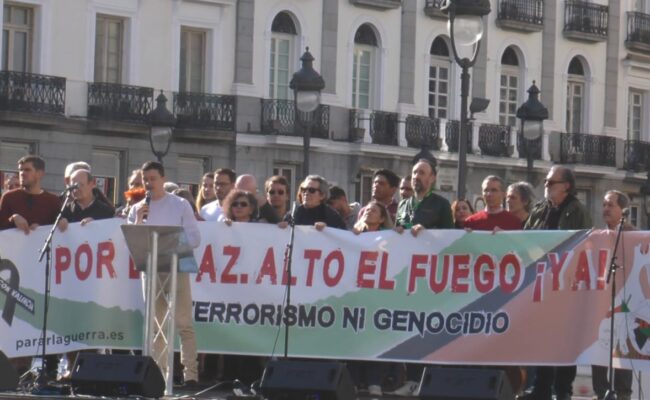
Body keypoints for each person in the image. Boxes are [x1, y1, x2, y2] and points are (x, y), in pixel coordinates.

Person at [519, 165, 592, 400]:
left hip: (565, 285)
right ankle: (541, 388)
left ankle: (563, 390)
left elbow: (586, 242)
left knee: (564, 341)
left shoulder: (578, 211)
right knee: (543, 337)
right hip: (541, 284)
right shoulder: (540, 209)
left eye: (551, 182)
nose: (546, 186)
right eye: (546, 182)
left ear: (567, 186)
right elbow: (525, 236)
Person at [127, 161, 201, 388]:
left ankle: (190, 374)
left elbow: (195, 237)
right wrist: (139, 219)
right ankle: (159, 375)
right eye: (145, 179)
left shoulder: (179, 205)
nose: (148, 184)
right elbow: (132, 241)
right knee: (155, 324)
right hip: (150, 270)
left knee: (183, 322)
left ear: (162, 178)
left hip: (175, 268)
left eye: (152, 179)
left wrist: (171, 242)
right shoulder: (137, 208)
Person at [591, 190, 634, 400]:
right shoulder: (597, 236)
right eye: (604, 205)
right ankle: (601, 392)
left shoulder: (632, 235)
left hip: (625, 303)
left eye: (611, 205)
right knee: (599, 349)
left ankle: (623, 394)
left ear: (622, 210)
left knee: (622, 350)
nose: (605, 209)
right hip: (600, 304)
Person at [0, 155, 61, 233]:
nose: (22, 173)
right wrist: (13, 219)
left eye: (27, 170)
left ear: (40, 173)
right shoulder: (9, 198)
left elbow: (58, 231)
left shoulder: (53, 201)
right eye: (20, 170)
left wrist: (41, 229)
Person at [395, 159, 454, 236]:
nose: (416, 176)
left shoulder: (442, 204)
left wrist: (426, 232)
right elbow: (396, 232)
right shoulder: (402, 204)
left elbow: (449, 235)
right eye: (414, 172)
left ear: (432, 178)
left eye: (422, 173)